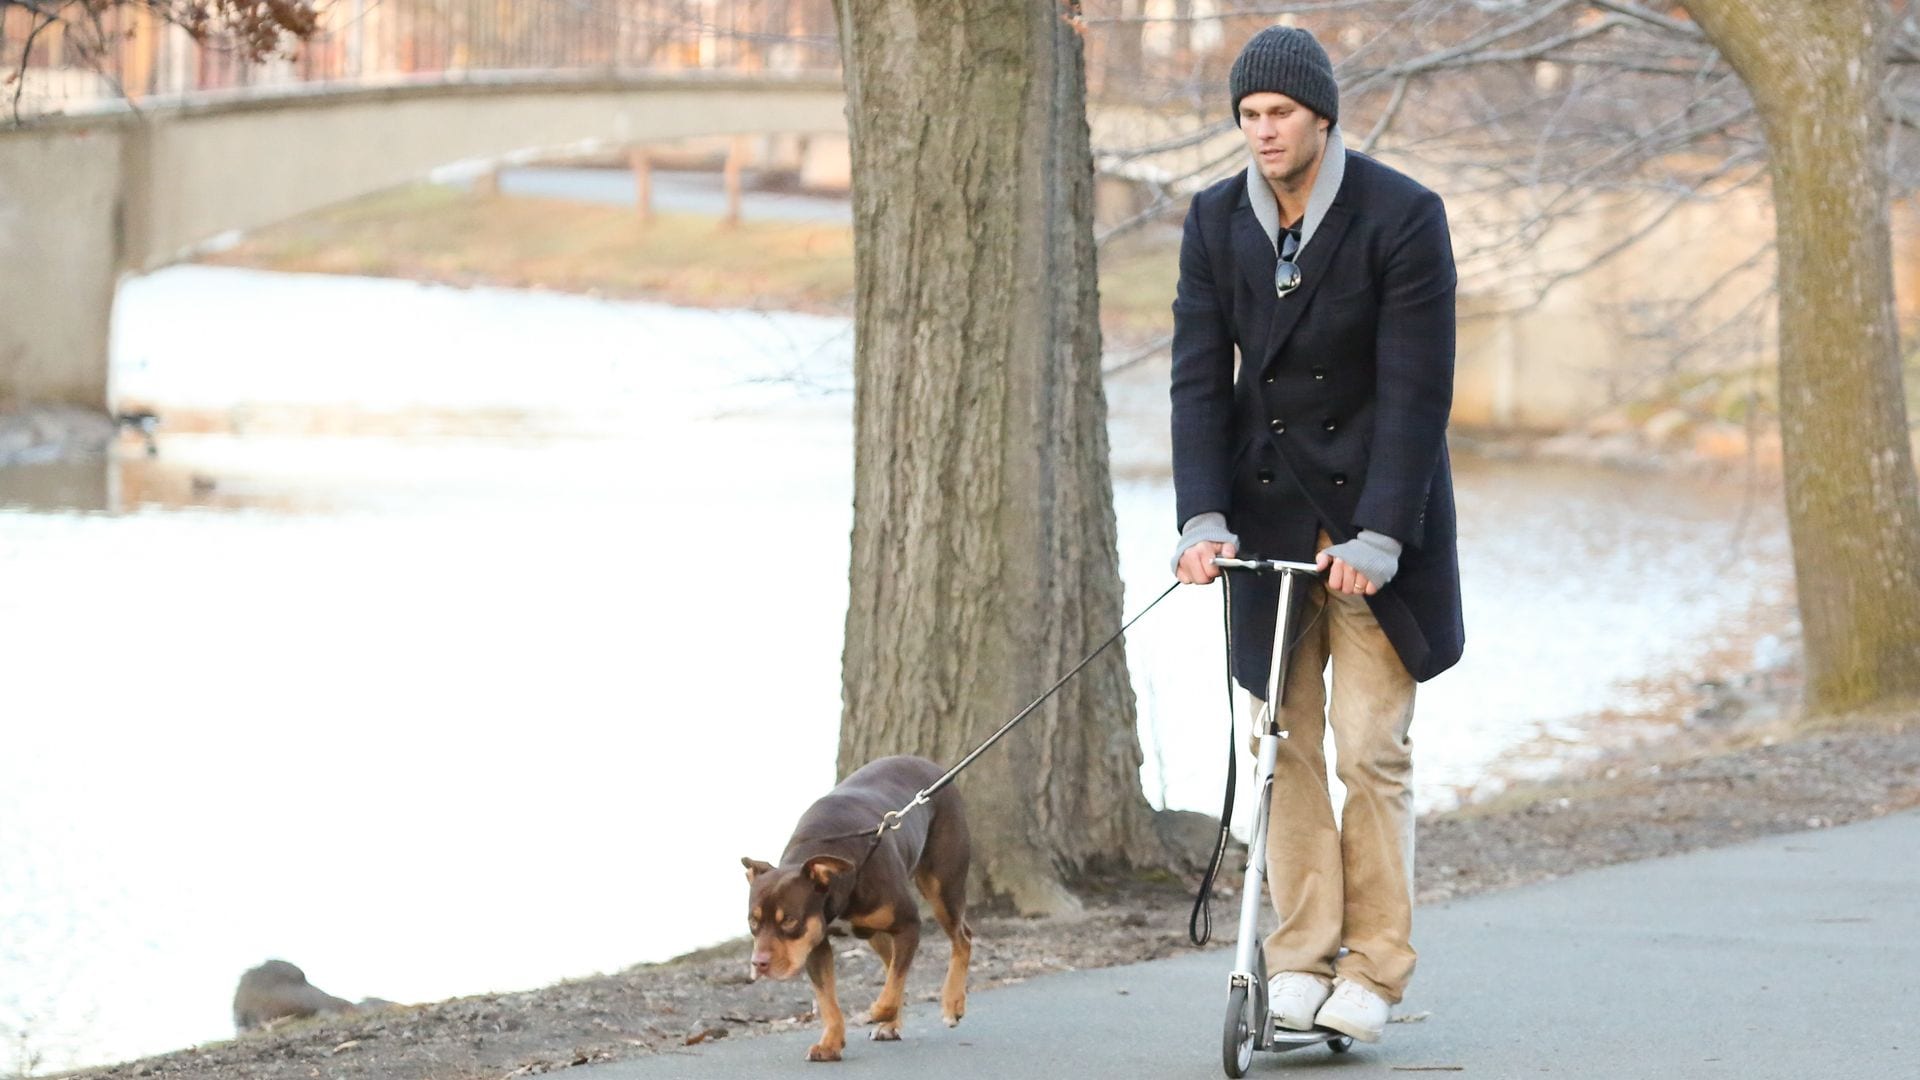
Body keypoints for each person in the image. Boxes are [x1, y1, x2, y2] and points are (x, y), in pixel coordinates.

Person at [1168, 24, 1464, 1045]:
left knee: (1370, 751)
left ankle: (1374, 970)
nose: (1264, 132)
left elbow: (1418, 391)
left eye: (1281, 113)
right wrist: (1202, 517)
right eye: (1249, 115)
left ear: (1322, 117)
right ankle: (1298, 959)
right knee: (1278, 747)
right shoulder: (1214, 220)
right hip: (1264, 520)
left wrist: (1379, 533)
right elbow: (1199, 380)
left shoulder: (1402, 215)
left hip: (1379, 523)